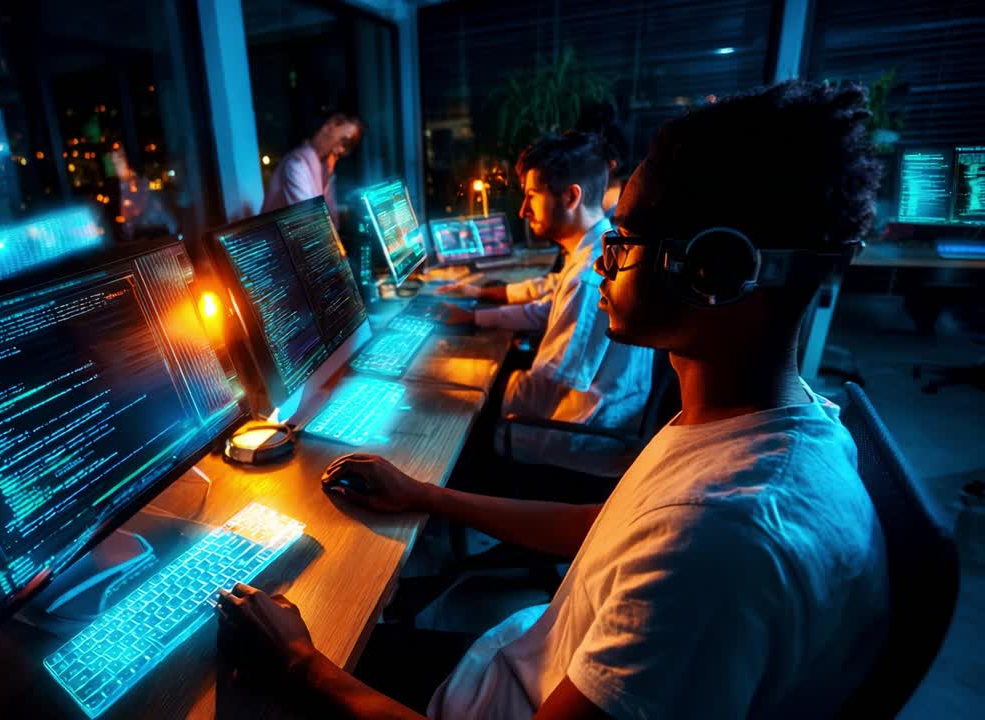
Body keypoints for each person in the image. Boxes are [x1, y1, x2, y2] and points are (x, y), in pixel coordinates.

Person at [214, 80, 890, 719]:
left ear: (713, 271)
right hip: (516, 662)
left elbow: (683, 544)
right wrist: (427, 495)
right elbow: (615, 524)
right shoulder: (770, 428)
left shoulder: (719, 546)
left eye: (622, 241)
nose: (601, 260)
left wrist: (302, 666)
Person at [438, 132, 652, 474]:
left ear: (570, 197)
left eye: (532, 196)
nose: (523, 210)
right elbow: (549, 298)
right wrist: (477, 306)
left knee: (453, 421)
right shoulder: (600, 246)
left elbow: (549, 386)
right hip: (607, 417)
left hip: (584, 433)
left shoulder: (588, 275)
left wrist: (465, 386)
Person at [261, 111, 364, 225]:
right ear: (329, 125)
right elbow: (309, 221)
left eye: (348, 146)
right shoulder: (296, 164)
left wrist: (328, 176)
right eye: (343, 141)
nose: (341, 150)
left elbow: (332, 219)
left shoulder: (324, 167)